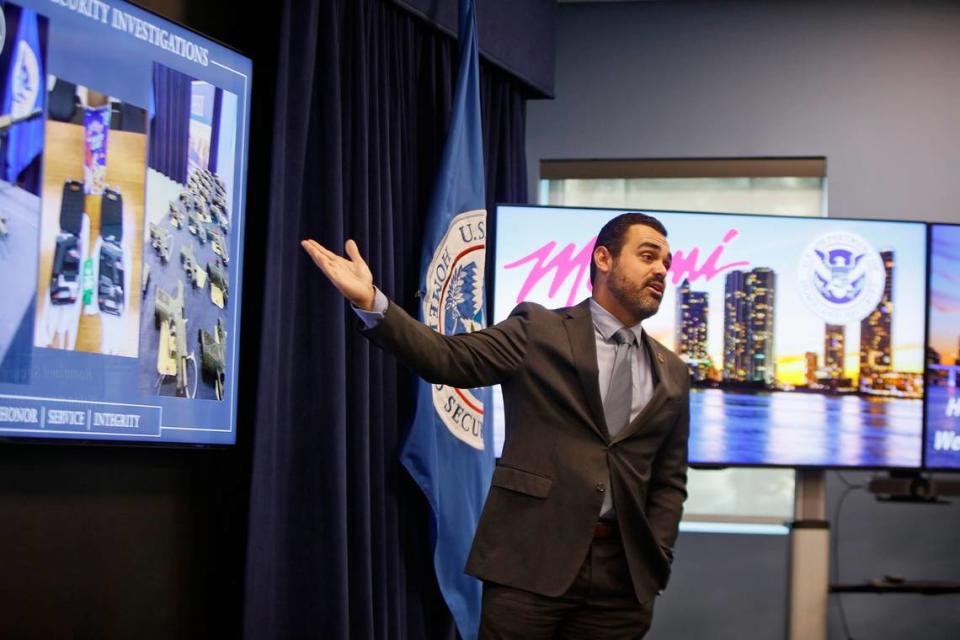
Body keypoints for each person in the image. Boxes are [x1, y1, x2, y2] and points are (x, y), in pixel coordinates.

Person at [301, 212, 689, 639]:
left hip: (622, 584)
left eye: (667, 264)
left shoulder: (673, 372)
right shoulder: (539, 330)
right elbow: (447, 359)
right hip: (529, 563)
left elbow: (669, 479)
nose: (660, 270)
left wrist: (658, 555)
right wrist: (373, 302)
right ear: (603, 259)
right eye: (648, 255)